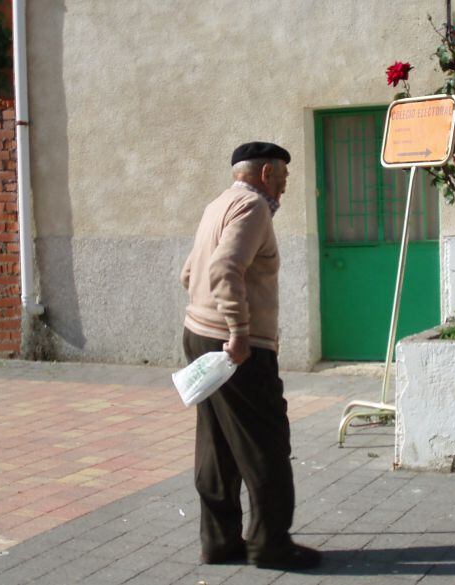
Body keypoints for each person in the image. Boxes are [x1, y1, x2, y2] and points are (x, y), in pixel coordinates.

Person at [179, 141, 321, 571]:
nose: (285, 185)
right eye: (283, 176)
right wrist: (238, 330)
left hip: (199, 334)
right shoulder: (253, 207)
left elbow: (190, 272)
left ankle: (220, 543)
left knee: (218, 445)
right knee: (266, 444)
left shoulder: (217, 204)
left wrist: (208, 313)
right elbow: (224, 268)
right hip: (237, 347)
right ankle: (270, 544)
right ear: (265, 174)